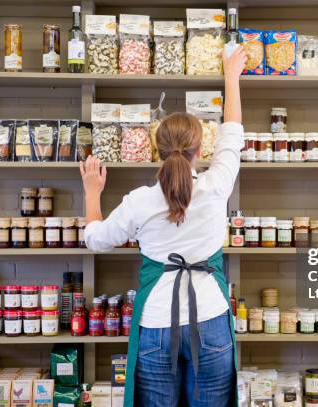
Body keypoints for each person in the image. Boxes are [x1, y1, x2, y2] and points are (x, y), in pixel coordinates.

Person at [80, 47, 248, 407]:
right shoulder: (216, 185)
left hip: (156, 324)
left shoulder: (139, 201)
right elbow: (233, 133)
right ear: (200, 148)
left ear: (157, 150)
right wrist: (231, 77)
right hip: (211, 319)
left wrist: (92, 192)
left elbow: (95, 239)